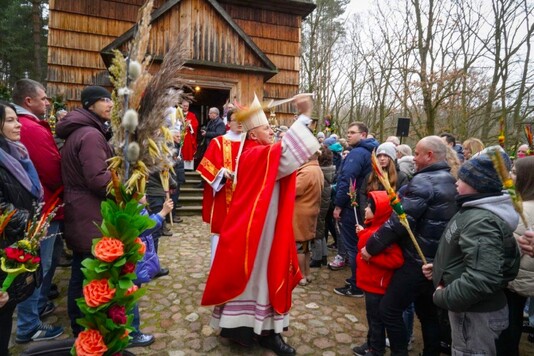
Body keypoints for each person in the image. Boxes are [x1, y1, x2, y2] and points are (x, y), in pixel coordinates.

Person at [201, 94, 320, 355]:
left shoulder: (260, 153)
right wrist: (303, 116)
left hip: (266, 228)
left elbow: (285, 160)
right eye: (267, 128)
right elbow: (287, 155)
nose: (272, 131)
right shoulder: (255, 155)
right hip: (256, 232)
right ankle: (249, 330)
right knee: (258, 277)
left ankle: (264, 330)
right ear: (253, 135)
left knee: (264, 277)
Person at [363, 136, 458, 355]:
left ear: (429, 155)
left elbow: (399, 222)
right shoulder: (449, 179)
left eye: (416, 153)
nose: (413, 158)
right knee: (427, 313)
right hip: (434, 261)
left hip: (416, 260)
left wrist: (371, 247)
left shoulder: (425, 182)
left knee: (389, 310)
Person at [423, 152, 520, 355]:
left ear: (479, 184)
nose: (456, 182)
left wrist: (443, 296)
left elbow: (483, 278)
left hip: (474, 315)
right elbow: (471, 257)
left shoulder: (482, 221)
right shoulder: (472, 209)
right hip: (470, 310)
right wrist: (442, 268)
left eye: (463, 179)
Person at [55, 85, 115, 337]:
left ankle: (80, 324)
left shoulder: (80, 131)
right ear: (90, 104)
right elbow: (99, 179)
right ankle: (84, 327)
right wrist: (125, 189)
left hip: (80, 207)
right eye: (104, 100)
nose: (110, 103)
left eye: (111, 99)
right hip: (89, 211)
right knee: (86, 272)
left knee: (81, 268)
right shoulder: (90, 135)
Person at [11, 79, 64, 343]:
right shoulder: (30, 128)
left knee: (45, 262)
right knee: (36, 266)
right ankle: (29, 325)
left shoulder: (31, 126)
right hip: (42, 207)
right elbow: (51, 169)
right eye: (43, 98)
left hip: (43, 205)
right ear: (28, 101)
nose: (48, 102)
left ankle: (36, 310)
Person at [0, 101, 44, 353]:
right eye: (9, 120)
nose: (18, 124)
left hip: (16, 241)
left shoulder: (17, 153)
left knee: (6, 314)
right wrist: (30, 221)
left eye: (16, 119)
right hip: (6, 242)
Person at [332, 122, 379, 297]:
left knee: (353, 246)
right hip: (362, 204)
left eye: (353, 132)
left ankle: (357, 285)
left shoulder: (358, 153)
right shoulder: (370, 152)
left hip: (353, 206)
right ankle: (358, 280)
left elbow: (347, 180)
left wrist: (338, 204)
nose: (348, 135)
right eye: (348, 132)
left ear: (364, 135)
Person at [353, 190, 403, 356]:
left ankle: (376, 350)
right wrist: (362, 232)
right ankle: (370, 345)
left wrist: (370, 257)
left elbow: (396, 260)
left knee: (376, 321)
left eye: (370, 207)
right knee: (372, 318)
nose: (365, 209)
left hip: (377, 287)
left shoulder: (383, 236)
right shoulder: (375, 229)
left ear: (380, 212)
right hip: (370, 284)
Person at [496, 155, 534, 355]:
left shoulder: (522, 210)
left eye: (515, 172)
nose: (510, 175)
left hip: (514, 278)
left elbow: (511, 250)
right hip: (524, 278)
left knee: (508, 324)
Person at [196, 109, 243, 263]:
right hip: (224, 195)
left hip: (244, 197)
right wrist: (222, 173)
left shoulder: (249, 142)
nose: (240, 122)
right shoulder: (218, 142)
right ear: (228, 123)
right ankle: (217, 269)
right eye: (236, 119)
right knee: (221, 231)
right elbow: (206, 167)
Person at [128, 196, 174, 348]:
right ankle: (132, 333)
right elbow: (144, 227)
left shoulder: (136, 205)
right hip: (134, 257)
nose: (145, 194)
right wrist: (162, 213)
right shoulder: (133, 206)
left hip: (139, 255)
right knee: (131, 294)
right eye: (141, 191)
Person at [293, 151, 324, 285]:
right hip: (310, 210)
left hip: (300, 213)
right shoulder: (316, 169)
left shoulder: (306, 172)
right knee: (306, 247)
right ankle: (307, 273)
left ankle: (301, 276)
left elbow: (294, 190)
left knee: (298, 245)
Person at [310, 145, 336, 268]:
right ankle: (323, 256)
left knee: (317, 231)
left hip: (319, 204)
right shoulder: (329, 170)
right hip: (324, 204)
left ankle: (316, 258)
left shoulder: (320, 172)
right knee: (321, 228)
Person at [180, 100, 198, 170]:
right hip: (179, 135)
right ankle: (179, 166)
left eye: (187, 106)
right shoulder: (178, 114)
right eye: (184, 106)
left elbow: (195, 125)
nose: (185, 107)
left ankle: (188, 167)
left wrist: (189, 125)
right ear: (181, 106)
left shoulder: (192, 115)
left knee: (188, 149)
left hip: (188, 136)